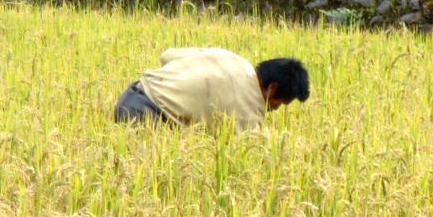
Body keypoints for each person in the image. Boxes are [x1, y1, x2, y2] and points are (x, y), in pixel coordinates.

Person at [114, 47, 309, 130]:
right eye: (280, 103)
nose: (275, 109)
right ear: (272, 88)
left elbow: (167, 55)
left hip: (130, 95)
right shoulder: (249, 107)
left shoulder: (234, 58)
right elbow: (252, 158)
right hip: (144, 118)